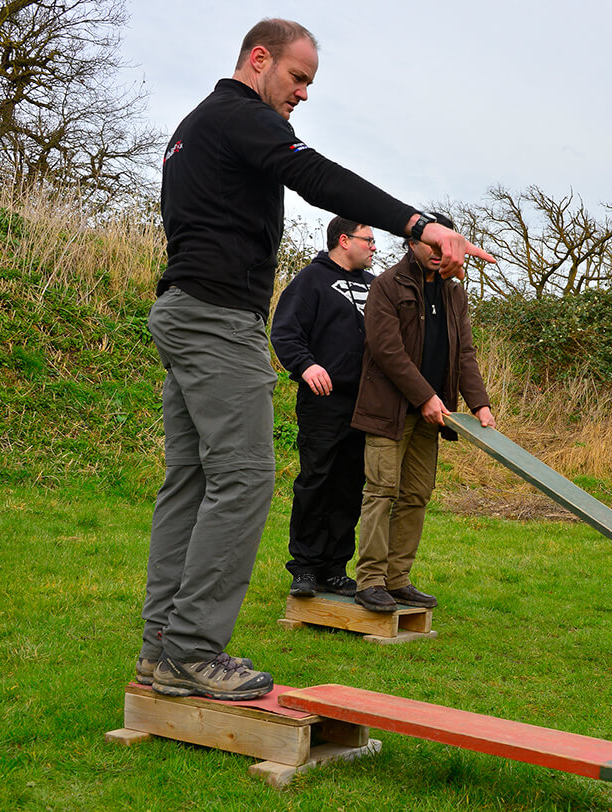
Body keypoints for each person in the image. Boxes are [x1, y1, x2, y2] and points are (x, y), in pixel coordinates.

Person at [137, 19, 494, 701]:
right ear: (259, 60)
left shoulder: (194, 129)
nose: (301, 94)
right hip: (216, 320)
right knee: (242, 481)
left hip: (183, 310)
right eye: (297, 78)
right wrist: (418, 223)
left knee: (190, 484)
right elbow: (313, 173)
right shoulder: (238, 116)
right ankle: (190, 651)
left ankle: (162, 649)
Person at [349, 212, 495, 613]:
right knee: (381, 491)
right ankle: (371, 582)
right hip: (387, 410)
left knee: (416, 495)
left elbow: (464, 353)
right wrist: (426, 396)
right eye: (432, 243)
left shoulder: (454, 292)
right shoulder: (386, 285)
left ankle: (397, 581)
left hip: (432, 417)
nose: (438, 252)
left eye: (445, 245)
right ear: (411, 242)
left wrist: (479, 403)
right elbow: (387, 351)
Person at [271, 216, 377, 600]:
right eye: (368, 239)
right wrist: (305, 364)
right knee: (316, 481)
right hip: (323, 401)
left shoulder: (374, 286)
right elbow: (284, 331)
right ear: (344, 240)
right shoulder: (311, 281)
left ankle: (334, 568)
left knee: (350, 485)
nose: (373, 247)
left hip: (365, 404)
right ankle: (305, 568)